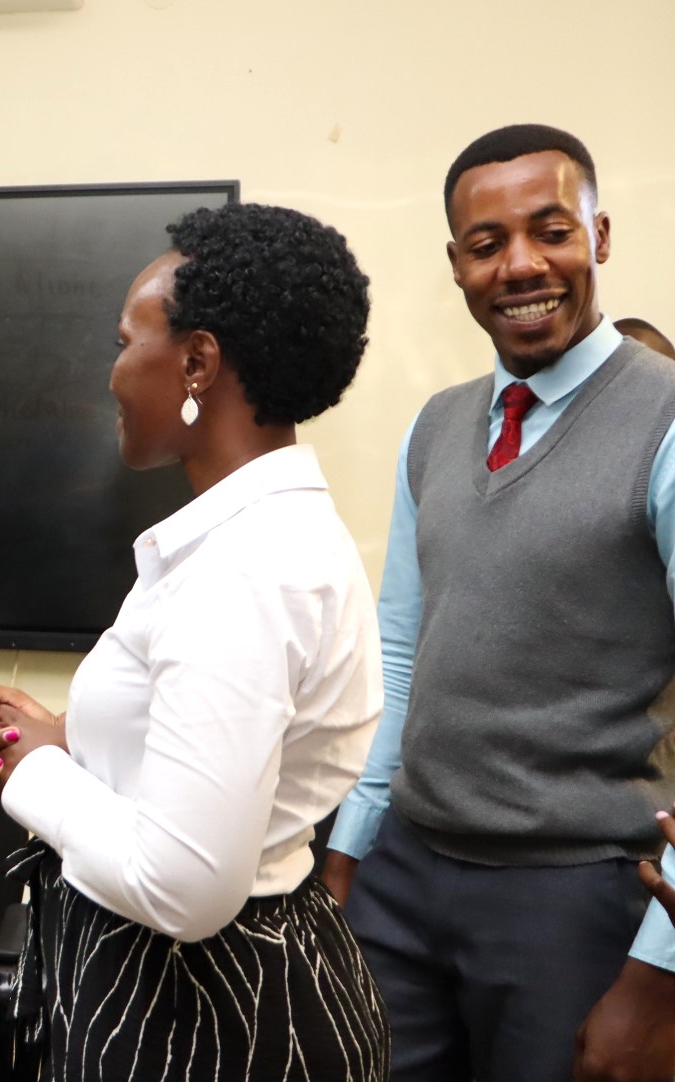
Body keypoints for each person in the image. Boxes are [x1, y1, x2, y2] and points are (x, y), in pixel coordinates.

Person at [0, 201, 388, 1080]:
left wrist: (34, 770)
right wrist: (69, 736)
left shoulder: (245, 572)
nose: (110, 373)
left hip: (208, 1016)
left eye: (123, 343)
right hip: (197, 991)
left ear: (196, 363)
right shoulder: (245, 542)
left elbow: (182, 884)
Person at [322, 124, 675, 1082]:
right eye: (487, 245)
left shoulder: (665, 419)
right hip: (406, 874)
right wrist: (351, 849)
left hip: (576, 891)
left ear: (600, 236)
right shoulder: (436, 426)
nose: (521, 266)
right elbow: (404, 655)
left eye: (551, 232)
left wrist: (660, 972)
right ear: (457, 265)